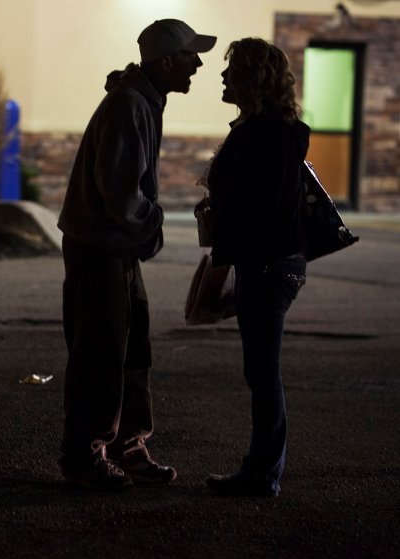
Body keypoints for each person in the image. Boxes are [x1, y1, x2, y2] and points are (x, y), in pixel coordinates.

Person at [57, 19, 216, 490]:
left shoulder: (142, 101)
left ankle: (127, 448)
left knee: (131, 350)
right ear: (166, 62)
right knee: (101, 353)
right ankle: (85, 457)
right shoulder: (130, 105)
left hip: (113, 246)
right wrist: (153, 228)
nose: (197, 64)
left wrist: (143, 232)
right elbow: (122, 196)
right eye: (190, 55)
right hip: (101, 248)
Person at [204, 38, 310, 497]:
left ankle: (263, 473)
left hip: (266, 265)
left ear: (253, 78)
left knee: (263, 371)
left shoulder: (261, 135)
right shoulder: (276, 130)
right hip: (276, 262)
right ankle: (262, 469)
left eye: (232, 70)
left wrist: (222, 219)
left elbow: (260, 209)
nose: (223, 76)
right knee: (261, 369)